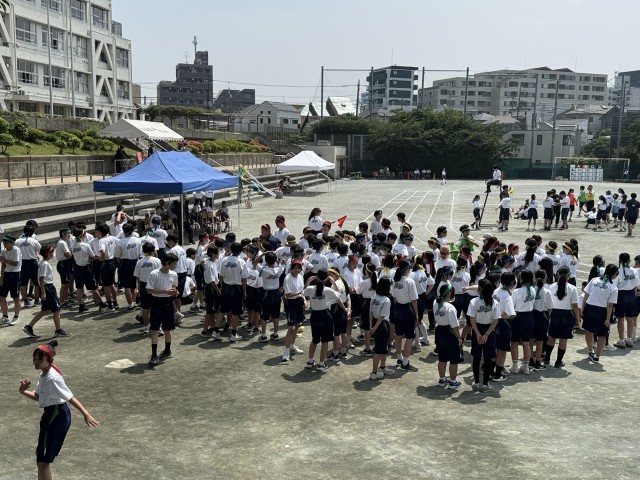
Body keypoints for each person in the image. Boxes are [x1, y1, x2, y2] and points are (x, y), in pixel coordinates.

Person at [18, 340, 99, 480]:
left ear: (49, 360)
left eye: (39, 359)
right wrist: (23, 391)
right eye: (34, 358)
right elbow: (39, 396)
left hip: (56, 416)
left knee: (43, 462)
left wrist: (86, 414)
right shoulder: (44, 374)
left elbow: (70, 397)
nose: (35, 362)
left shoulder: (52, 378)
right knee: (41, 459)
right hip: (51, 415)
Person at [304, 269, 348, 372]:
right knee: (325, 341)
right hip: (326, 316)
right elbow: (338, 296)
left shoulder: (311, 288)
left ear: (316, 277)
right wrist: (333, 282)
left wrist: (308, 281)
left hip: (314, 315)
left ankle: (310, 361)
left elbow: (304, 292)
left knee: (314, 340)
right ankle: (321, 364)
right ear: (327, 278)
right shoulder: (328, 290)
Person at [22, 246, 71, 339]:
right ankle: (58, 330)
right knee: (56, 310)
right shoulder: (45, 264)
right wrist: (43, 292)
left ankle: (29, 327)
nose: (53, 254)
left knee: (44, 310)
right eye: (52, 252)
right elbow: (41, 278)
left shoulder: (43, 263)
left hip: (46, 287)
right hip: (48, 287)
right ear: (48, 254)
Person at [146, 252, 179, 366]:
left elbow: (174, 286)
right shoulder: (154, 274)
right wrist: (164, 291)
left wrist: (174, 292)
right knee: (155, 329)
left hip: (168, 302)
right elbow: (149, 290)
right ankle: (154, 354)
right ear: (167, 263)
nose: (175, 266)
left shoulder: (173, 274)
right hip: (156, 302)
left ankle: (167, 350)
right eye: (174, 264)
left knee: (167, 329)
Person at [544, 266, 580, 369]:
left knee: (551, 337)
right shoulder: (572, 288)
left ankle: (547, 358)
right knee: (563, 339)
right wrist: (578, 319)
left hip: (554, 313)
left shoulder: (552, 287)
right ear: (569, 276)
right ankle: (558, 361)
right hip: (566, 315)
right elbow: (574, 305)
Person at [582, 264, 619, 363]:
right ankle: (597, 356)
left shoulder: (594, 280)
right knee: (602, 335)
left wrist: (583, 308)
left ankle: (590, 351)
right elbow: (610, 305)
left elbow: (586, 295)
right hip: (602, 311)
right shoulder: (613, 287)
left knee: (589, 331)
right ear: (614, 274)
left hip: (589, 308)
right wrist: (607, 319)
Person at [468, 279, 500, 391]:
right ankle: (485, 384)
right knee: (487, 358)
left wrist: (478, 334)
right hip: (489, 331)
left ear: (479, 289)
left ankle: (477, 382)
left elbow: (472, 319)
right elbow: (495, 321)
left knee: (476, 357)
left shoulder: (474, 301)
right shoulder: (494, 302)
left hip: (478, 329)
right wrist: (486, 334)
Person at [433, 283, 462, 389]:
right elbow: (455, 326)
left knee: (442, 358)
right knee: (454, 360)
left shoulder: (435, 303)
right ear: (449, 293)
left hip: (439, 331)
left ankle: (442, 380)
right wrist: (459, 337)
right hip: (449, 333)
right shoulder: (450, 308)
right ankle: (453, 382)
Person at [368, 277, 395, 379]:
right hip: (382, 325)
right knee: (378, 350)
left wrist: (371, 326)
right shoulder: (386, 300)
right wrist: (374, 328)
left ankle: (382, 367)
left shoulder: (374, 297)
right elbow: (382, 317)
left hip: (375, 323)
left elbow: (370, 312)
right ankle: (374, 372)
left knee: (383, 348)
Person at [133, 243, 162, 335]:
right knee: (156, 307)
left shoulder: (139, 262)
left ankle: (146, 327)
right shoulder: (157, 260)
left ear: (143, 251)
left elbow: (137, 277)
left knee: (145, 308)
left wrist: (138, 288)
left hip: (144, 286)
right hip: (155, 285)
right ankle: (157, 327)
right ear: (153, 251)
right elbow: (161, 273)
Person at [281, 260, 305, 362]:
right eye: (295, 268)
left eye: (299, 268)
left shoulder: (301, 277)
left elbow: (302, 291)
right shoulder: (287, 278)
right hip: (291, 303)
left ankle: (292, 345)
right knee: (291, 327)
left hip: (299, 302)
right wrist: (299, 294)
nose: (297, 270)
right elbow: (287, 294)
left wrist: (304, 300)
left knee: (298, 325)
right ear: (291, 269)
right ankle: (286, 351)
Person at [613, 253, 638, 349]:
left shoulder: (618, 271)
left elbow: (615, 286)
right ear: (629, 260)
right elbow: (636, 284)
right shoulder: (634, 270)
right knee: (630, 318)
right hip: (631, 294)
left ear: (620, 261)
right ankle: (629, 339)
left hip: (621, 295)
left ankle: (621, 340)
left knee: (620, 318)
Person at [0, 235, 22, 325]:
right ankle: (5, 316)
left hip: (15, 275)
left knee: (15, 297)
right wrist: (1, 278)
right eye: (3, 243)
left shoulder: (16, 250)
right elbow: (3, 265)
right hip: (6, 274)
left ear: (11, 243)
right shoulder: (3, 251)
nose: (4, 244)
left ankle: (16, 317)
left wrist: (3, 260)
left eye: (6, 243)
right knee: (2, 297)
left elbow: (15, 263)